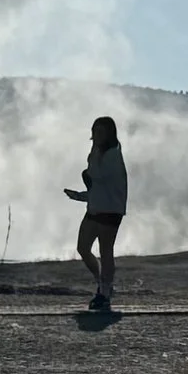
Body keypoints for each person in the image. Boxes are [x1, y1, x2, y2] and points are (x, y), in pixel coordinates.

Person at [66, 116, 129, 311]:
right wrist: (81, 196)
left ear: (109, 134)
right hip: (96, 208)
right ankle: (102, 283)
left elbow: (97, 177)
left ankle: (104, 291)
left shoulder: (112, 155)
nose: (97, 136)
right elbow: (98, 186)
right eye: (95, 132)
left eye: (101, 132)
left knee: (105, 251)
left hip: (110, 211)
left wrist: (89, 166)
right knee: (83, 247)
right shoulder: (100, 154)